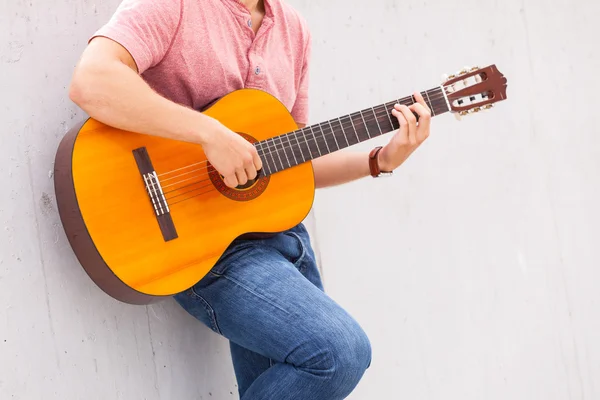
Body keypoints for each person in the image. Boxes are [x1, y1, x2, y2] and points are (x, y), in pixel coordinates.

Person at [69, 0, 432, 398]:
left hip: (283, 243)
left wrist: (379, 160)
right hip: (201, 246)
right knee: (338, 351)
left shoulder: (294, 30)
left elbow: (289, 159)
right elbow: (91, 80)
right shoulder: (174, 5)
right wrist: (208, 133)